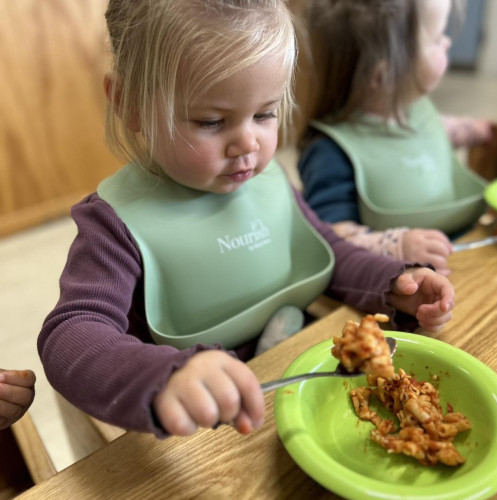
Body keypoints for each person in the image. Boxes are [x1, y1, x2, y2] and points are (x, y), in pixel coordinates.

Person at [38, 0, 454, 440]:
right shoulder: (113, 226)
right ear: (129, 104)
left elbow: (326, 248)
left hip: (294, 380)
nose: (247, 143)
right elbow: (70, 335)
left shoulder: (267, 179)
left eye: (265, 114)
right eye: (212, 121)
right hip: (199, 426)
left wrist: (393, 285)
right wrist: (166, 378)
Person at [297, 0, 492, 277]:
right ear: (384, 73)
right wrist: (396, 246)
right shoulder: (331, 151)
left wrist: (477, 130)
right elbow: (328, 236)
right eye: (437, 39)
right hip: (401, 283)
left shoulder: (413, 108)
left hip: (466, 250)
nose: (447, 42)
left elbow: (437, 130)